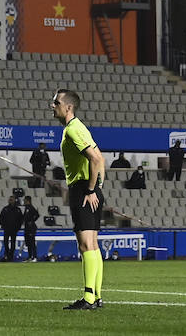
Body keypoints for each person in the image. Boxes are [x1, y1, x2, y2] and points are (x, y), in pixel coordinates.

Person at [53, 88, 106, 310]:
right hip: (89, 188)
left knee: (85, 245)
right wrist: (98, 187)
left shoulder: (73, 130)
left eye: (56, 103)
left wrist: (91, 190)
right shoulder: (80, 127)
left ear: (68, 107)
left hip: (83, 189)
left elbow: (95, 159)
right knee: (92, 244)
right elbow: (100, 158)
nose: (52, 106)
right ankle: (96, 296)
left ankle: (88, 298)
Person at [0, 195, 24, 261]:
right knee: (5, 243)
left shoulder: (18, 210)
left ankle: (11, 256)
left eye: (11, 200)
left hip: (14, 229)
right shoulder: (5, 209)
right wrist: (3, 226)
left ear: (14, 201)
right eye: (10, 200)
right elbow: (1, 218)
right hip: (6, 229)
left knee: (13, 243)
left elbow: (21, 219)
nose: (10, 201)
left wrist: (18, 227)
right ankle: (7, 255)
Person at [22, 195, 40, 261]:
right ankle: (30, 256)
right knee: (28, 243)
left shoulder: (31, 207)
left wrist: (32, 221)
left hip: (31, 228)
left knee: (32, 242)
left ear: (27, 201)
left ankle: (34, 257)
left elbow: (37, 215)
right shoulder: (26, 208)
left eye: (24, 200)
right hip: (27, 228)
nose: (24, 201)